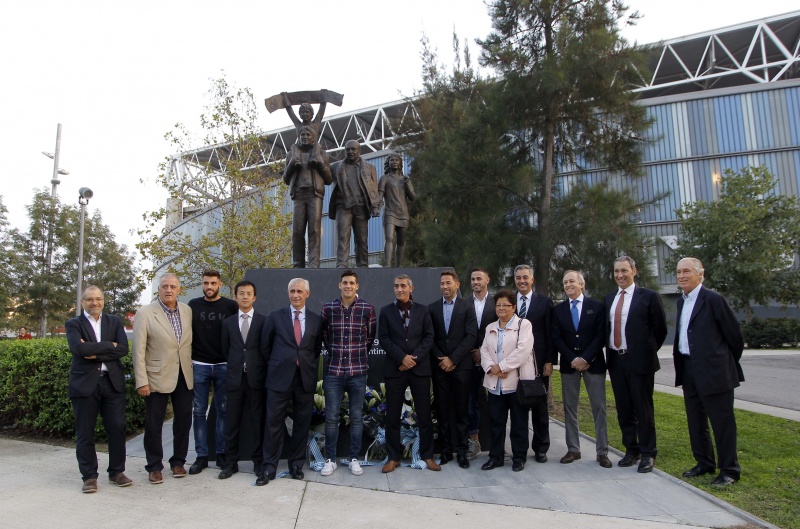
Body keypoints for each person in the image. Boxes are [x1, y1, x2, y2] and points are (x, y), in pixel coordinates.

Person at [674, 257, 744, 486]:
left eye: (686, 271)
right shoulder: (681, 301)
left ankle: (729, 470)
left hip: (715, 372)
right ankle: (704, 462)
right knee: (696, 420)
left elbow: (734, 336)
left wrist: (721, 362)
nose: (682, 276)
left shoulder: (714, 299)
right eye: (678, 272)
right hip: (689, 368)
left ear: (700, 274)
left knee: (722, 422)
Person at [257, 278, 324, 485]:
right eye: (292, 291)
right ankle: (269, 467)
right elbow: (265, 347)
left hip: (304, 378)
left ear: (307, 294)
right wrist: (281, 363)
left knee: (302, 424)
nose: (295, 295)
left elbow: (315, 349)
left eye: (299, 291)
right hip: (278, 378)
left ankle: (296, 465)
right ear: (288, 293)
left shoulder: (315, 320)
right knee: (273, 423)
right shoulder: (275, 317)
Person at [604, 256, 667, 473]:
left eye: (624, 270)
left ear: (634, 271)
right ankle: (631, 449)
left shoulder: (649, 297)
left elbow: (660, 330)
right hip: (616, 360)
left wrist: (644, 351)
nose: (620, 275)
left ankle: (648, 453)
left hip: (640, 361)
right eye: (616, 271)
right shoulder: (609, 298)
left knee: (643, 409)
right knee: (624, 408)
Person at [65, 285, 131, 493]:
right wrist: (109, 345)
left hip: (112, 383)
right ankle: (89, 477)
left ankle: (116, 472)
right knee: (85, 432)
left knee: (117, 428)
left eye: (98, 299)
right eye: (89, 299)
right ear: (82, 302)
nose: (94, 303)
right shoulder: (73, 324)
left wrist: (95, 351)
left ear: (103, 301)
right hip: (85, 385)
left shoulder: (114, 321)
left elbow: (123, 349)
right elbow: (79, 349)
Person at [132, 273, 194, 484]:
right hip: (156, 377)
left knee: (183, 421)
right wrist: (142, 380)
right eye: (165, 286)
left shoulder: (187, 311)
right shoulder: (145, 313)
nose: (169, 290)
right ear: (159, 289)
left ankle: (178, 462)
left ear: (179, 289)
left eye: (173, 286)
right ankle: (154, 466)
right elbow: (138, 350)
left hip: (184, 375)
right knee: (154, 424)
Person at [378, 274, 440, 472]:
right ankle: (393, 457)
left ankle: (427, 455)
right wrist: (402, 358)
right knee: (392, 416)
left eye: (403, 286)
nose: (399, 289)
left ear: (410, 288)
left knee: (424, 415)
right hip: (395, 369)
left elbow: (429, 337)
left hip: (419, 370)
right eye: (396, 286)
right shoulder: (386, 311)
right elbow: (384, 339)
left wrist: (413, 359)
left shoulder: (423, 310)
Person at [320, 270, 376, 476]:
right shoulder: (328, 308)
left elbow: (369, 339)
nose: (348, 286)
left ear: (357, 286)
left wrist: (355, 356)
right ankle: (330, 459)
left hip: (357, 371)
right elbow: (325, 336)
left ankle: (354, 459)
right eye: (345, 282)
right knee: (331, 417)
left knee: (357, 417)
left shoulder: (367, 308)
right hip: (334, 371)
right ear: (339, 285)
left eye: (352, 283)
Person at [552, 270, 610, 468]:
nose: (568, 285)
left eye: (571, 281)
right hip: (569, 366)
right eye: (565, 282)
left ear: (581, 284)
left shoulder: (597, 307)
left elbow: (601, 335)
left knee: (599, 407)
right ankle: (573, 449)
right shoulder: (558, 310)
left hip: (593, 364)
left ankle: (602, 452)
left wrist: (585, 358)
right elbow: (557, 337)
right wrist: (573, 359)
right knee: (570, 408)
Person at [187, 270, 239, 475]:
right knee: (199, 411)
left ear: (220, 284)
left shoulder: (230, 306)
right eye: (206, 283)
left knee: (223, 411)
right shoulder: (193, 305)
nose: (209, 286)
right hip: (199, 364)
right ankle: (201, 456)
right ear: (202, 284)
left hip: (223, 364)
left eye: (213, 283)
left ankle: (221, 454)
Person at [479, 290, 535, 472]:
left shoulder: (523, 325)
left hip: (516, 383)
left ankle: (519, 457)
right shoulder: (490, 327)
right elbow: (484, 351)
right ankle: (496, 457)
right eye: (498, 305)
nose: (501, 308)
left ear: (514, 307)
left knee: (519, 422)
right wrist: (491, 368)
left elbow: (522, 351)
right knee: (496, 422)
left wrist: (501, 367)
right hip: (496, 383)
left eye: (505, 305)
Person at [428, 270, 477, 468]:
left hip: (461, 367)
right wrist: (442, 359)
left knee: (462, 410)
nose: (445, 286)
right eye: (442, 283)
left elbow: (471, 336)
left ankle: (462, 451)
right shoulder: (432, 308)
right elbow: (429, 337)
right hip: (440, 367)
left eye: (448, 282)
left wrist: (453, 359)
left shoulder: (467, 307)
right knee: (442, 410)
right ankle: (446, 450)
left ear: (457, 284)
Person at [219, 280, 266, 480]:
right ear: (235, 296)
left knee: (257, 422)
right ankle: (231, 463)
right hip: (234, 379)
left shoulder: (263, 321)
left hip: (256, 380)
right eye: (241, 293)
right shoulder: (227, 323)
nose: (245, 296)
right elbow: (225, 350)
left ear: (254, 297)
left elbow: (265, 349)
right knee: (232, 423)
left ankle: (258, 462)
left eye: (248, 294)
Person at [513, 264, 555, 463]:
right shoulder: (508, 301)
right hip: (513, 363)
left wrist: (549, 361)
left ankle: (541, 448)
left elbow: (550, 333)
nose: (522, 281)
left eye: (525, 277)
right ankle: (519, 450)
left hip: (538, 363)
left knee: (540, 408)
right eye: (518, 278)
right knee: (517, 408)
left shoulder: (544, 302)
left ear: (532, 279)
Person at [283, 126, 332, 268]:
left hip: (314, 194)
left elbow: (329, 179)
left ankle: (314, 263)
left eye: (307, 135)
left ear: (313, 137)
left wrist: (320, 163)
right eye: (302, 135)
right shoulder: (291, 154)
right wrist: (291, 165)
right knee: (297, 231)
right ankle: (298, 264)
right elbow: (286, 179)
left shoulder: (321, 154)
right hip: (298, 195)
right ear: (299, 137)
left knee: (314, 230)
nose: (305, 137)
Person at [329, 140, 380, 268]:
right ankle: (342, 264)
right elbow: (325, 179)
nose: (350, 152)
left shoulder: (370, 167)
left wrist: (375, 206)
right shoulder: (335, 167)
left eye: (353, 149)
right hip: (343, 205)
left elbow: (373, 188)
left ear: (359, 151)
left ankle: (362, 265)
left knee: (362, 238)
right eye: (348, 149)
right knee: (342, 236)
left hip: (361, 206)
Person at [466, 267, 497, 460]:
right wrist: (473, 351)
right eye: (473, 279)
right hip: (469, 360)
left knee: (496, 403)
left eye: (479, 278)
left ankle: (497, 444)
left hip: (493, 360)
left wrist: (483, 352)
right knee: (471, 402)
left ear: (487, 280)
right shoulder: (464, 303)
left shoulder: (496, 303)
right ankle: (474, 442)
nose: (476, 282)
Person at [378, 153, 415, 267]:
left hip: (403, 213)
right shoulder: (385, 178)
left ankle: (399, 266)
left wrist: (407, 184)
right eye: (392, 160)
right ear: (388, 163)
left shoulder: (405, 179)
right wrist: (376, 207)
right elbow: (380, 195)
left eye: (396, 160)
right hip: (390, 212)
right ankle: (387, 265)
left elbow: (413, 197)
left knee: (401, 242)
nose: (394, 162)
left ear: (400, 163)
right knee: (389, 238)